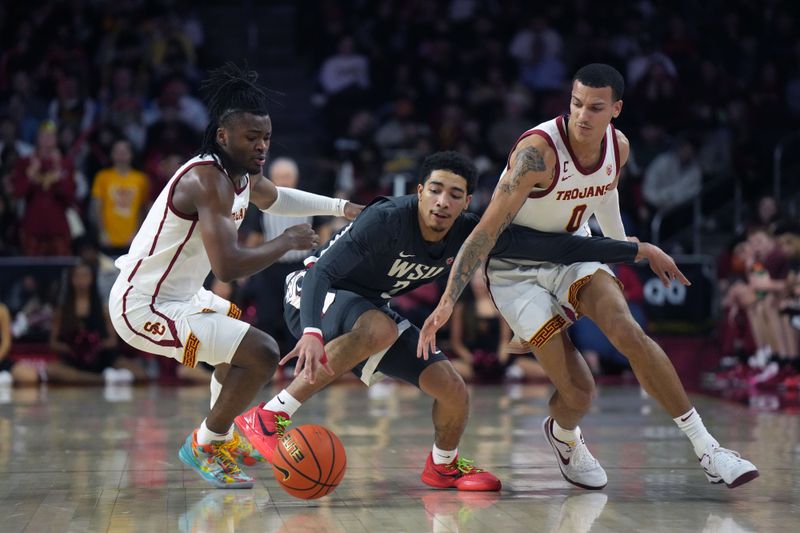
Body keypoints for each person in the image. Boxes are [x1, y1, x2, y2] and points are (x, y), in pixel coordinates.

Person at [234, 150, 685, 491]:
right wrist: (312, 330)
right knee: (380, 328)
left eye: (454, 194)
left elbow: (558, 248)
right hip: (312, 290)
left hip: (370, 306)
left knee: (452, 389)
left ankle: (442, 464)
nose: (442, 201)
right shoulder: (386, 218)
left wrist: (635, 250)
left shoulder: (471, 231)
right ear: (419, 191)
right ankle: (269, 418)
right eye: (434, 190)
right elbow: (324, 271)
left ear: (468, 201)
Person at [418, 64, 759, 490]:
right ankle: (564, 436)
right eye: (576, 103)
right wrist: (448, 300)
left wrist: (623, 250)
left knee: (627, 330)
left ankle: (708, 450)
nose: (582, 114)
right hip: (515, 269)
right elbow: (484, 231)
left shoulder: (620, 148)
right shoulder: (536, 153)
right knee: (580, 393)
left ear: (615, 109)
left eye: (595, 107)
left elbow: (605, 193)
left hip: (574, 250)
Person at [108, 63, 362, 489]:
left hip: (183, 297)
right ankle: (205, 443)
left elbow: (276, 198)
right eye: (251, 138)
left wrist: (341, 208)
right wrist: (286, 243)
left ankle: (217, 438)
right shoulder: (208, 181)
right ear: (223, 136)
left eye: (266, 138)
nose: (261, 146)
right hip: (143, 305)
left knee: (241, 346)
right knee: (261, 352)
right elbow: (227, 266)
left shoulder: (240, 174)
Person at [46, 261, 145, 385]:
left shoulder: (103, 309)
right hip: (73, 360)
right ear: (71, 279)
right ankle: (102, 379)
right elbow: (53, 343)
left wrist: (94, 345)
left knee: (140, 374)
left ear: (92, 279)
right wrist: (73, 348)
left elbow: (113, 341)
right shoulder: (62, 310)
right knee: (51, 370)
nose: (81, 280)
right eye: (77, 276)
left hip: (103, 358)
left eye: (85, 276)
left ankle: (103, 376)